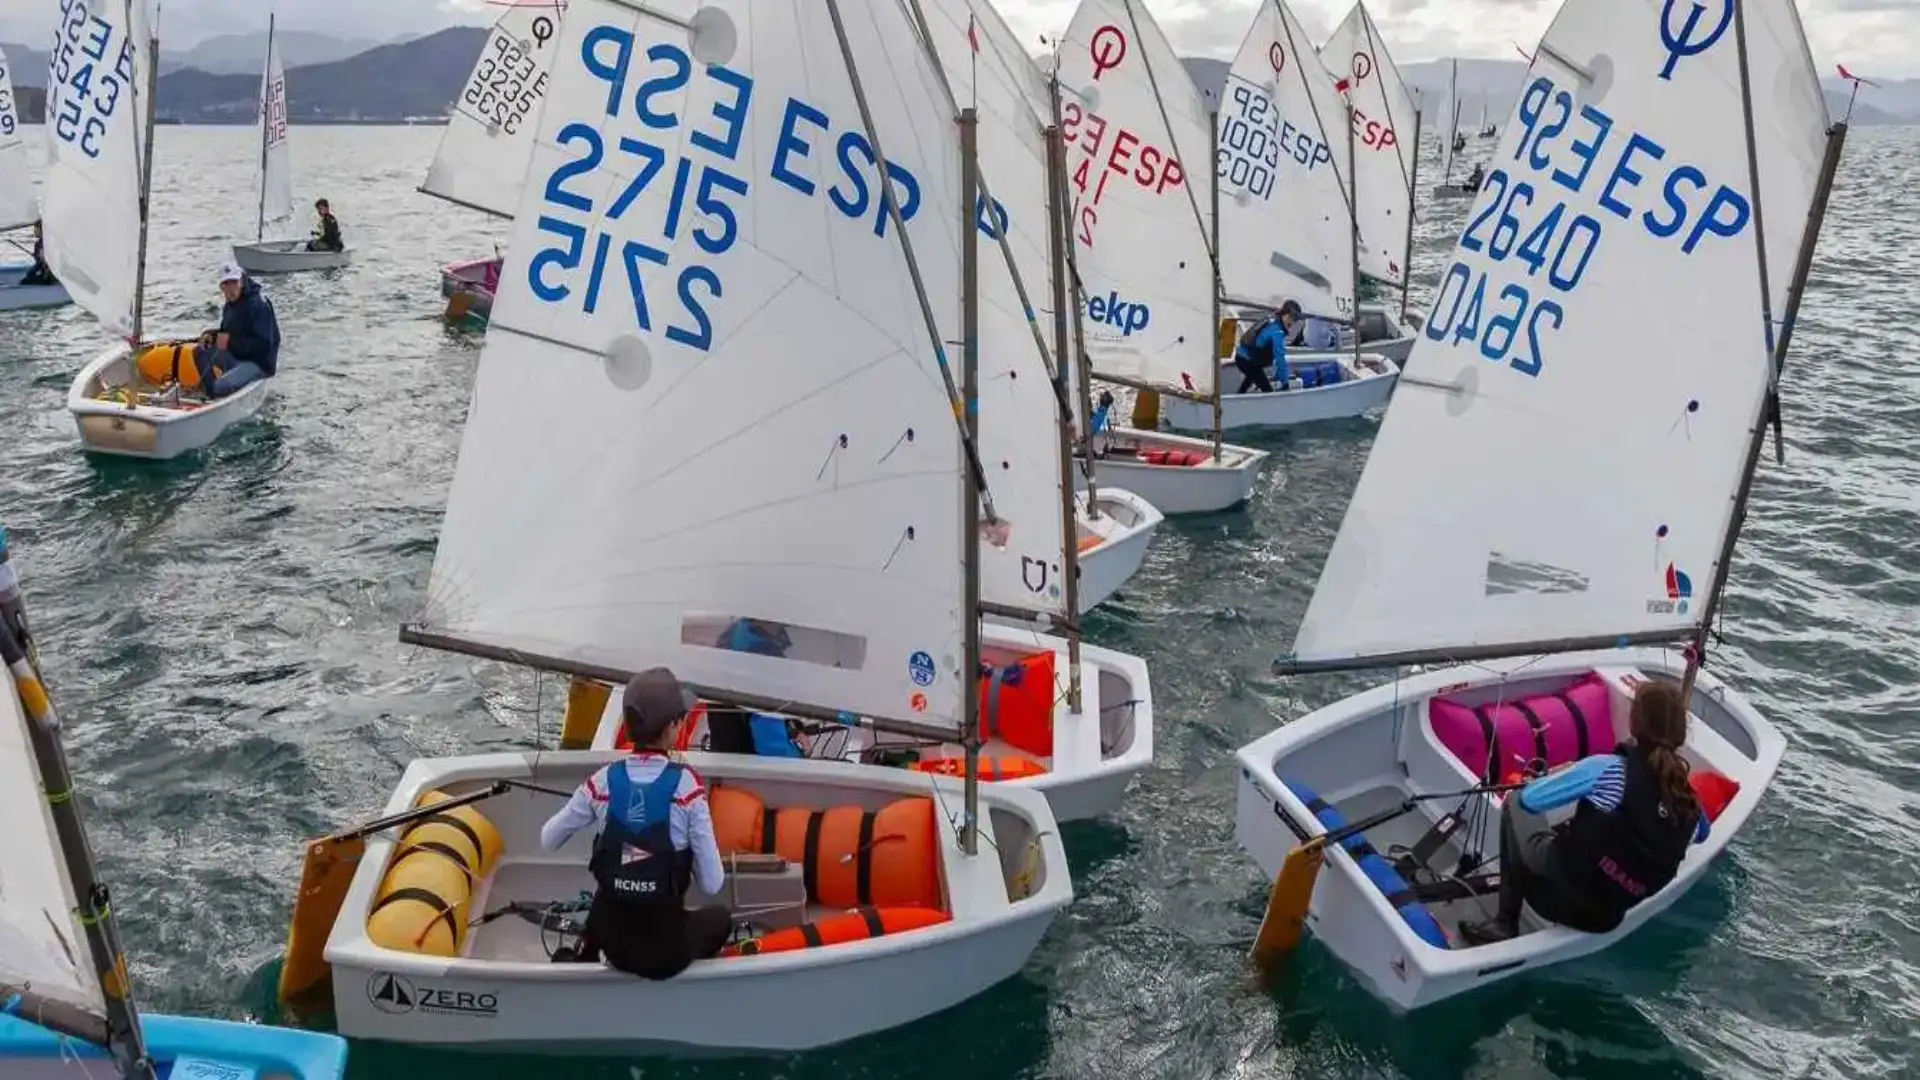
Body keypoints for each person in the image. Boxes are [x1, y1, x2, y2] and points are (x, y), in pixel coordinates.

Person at [1459, 680, 1709, 945]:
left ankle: (1505, 923)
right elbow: (1701, 834)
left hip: (1552, 899)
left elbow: (1530, 801)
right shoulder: (1687, 803)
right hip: (1606, 919)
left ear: (1635, 723)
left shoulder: (1608, 770)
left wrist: (1558, 776)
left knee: (1515, 799)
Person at [540, 667, 732, 978]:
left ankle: (588, 955)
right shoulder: (688, 789)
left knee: (611, 881)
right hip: (664, 956)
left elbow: (548, 839)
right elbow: (712, 884)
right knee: (721, 918)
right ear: (673, 727)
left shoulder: (601, 782)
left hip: (612, 944)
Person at [193, 263, 280, 398]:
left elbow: (264, 344)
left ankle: (214, 393)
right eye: (226, 285)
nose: (230, 289)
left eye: (234, 283)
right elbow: (228, 333)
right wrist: (214, 336)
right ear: (221, 287)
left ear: (242, 282)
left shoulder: (258, 305)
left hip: (258, 363)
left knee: (219, 386)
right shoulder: (230, 305)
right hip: (236, 354)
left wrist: (230, 342)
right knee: (200, 352)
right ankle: (209, 389)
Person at [1232, 302, 1297, 394]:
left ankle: (1238, 398)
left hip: (1244, 358)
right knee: (1268, 392)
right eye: (1290, 317)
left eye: (1295, 319)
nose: (1292, 321)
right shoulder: (1277, 332)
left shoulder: (1273, 321)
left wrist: (1280, 376)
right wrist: (1285, 383)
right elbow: (1280, 359)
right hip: (1247, 361)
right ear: (1283, 314)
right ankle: (1238, 400)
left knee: (1251, 379)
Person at [18, 221, 56, 287]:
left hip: (51, 272)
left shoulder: (51, 243)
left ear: (43, 231)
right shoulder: (37, 244)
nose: (34, 232)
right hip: (42, 269)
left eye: (36, 230)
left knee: (45, 278)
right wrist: (36, 257)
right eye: (34, 230)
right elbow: (38, 261)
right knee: (27, 277)